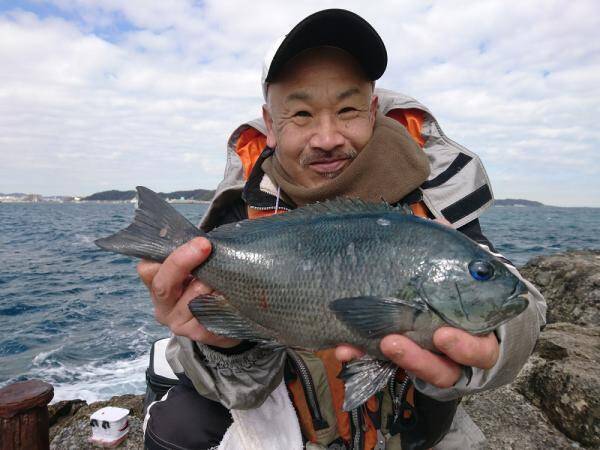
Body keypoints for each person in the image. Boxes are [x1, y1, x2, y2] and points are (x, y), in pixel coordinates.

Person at [138, 9, 546, 450]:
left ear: (373, 110)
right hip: (288, 429)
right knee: (177, 423)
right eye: (301, 114)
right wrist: (225, 345)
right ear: (270, 124)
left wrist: (500, 343)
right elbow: (225, 380)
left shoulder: (436, 197)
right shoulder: (235, 218)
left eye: (348, 109)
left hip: (416, 435)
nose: (328, 136)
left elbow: (521, 299)